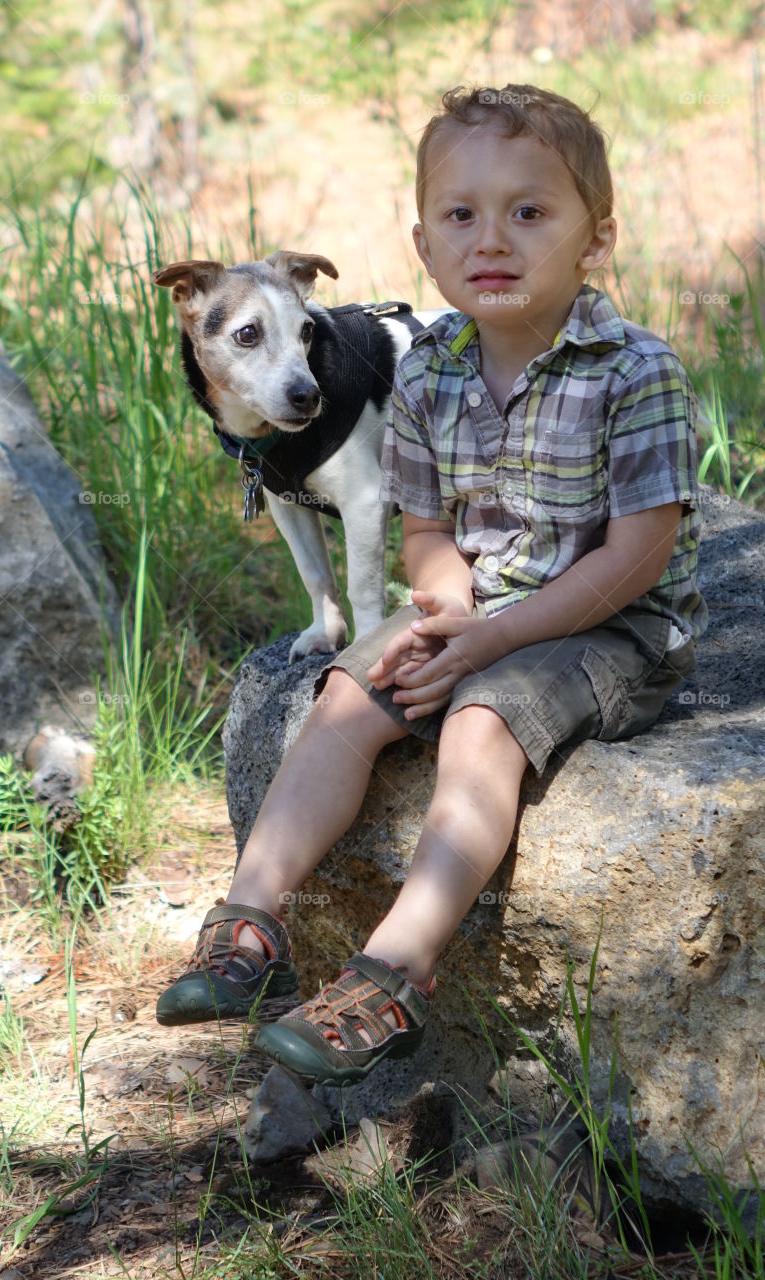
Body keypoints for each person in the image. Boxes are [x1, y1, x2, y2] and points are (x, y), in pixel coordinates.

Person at [155, 82, 708, 1087]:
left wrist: (490, 642)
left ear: (597, 237)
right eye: (462, 214)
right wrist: (444, 605)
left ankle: (396, 969)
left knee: (479, 723)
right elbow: (426, 528)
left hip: (613, 628)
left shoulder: (636, 371)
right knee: (349, 692)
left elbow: (638, 557)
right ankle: (248, 922)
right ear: (422, 243)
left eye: (529, 212)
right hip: (483, 604)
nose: (491, 237)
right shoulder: (430, 370)